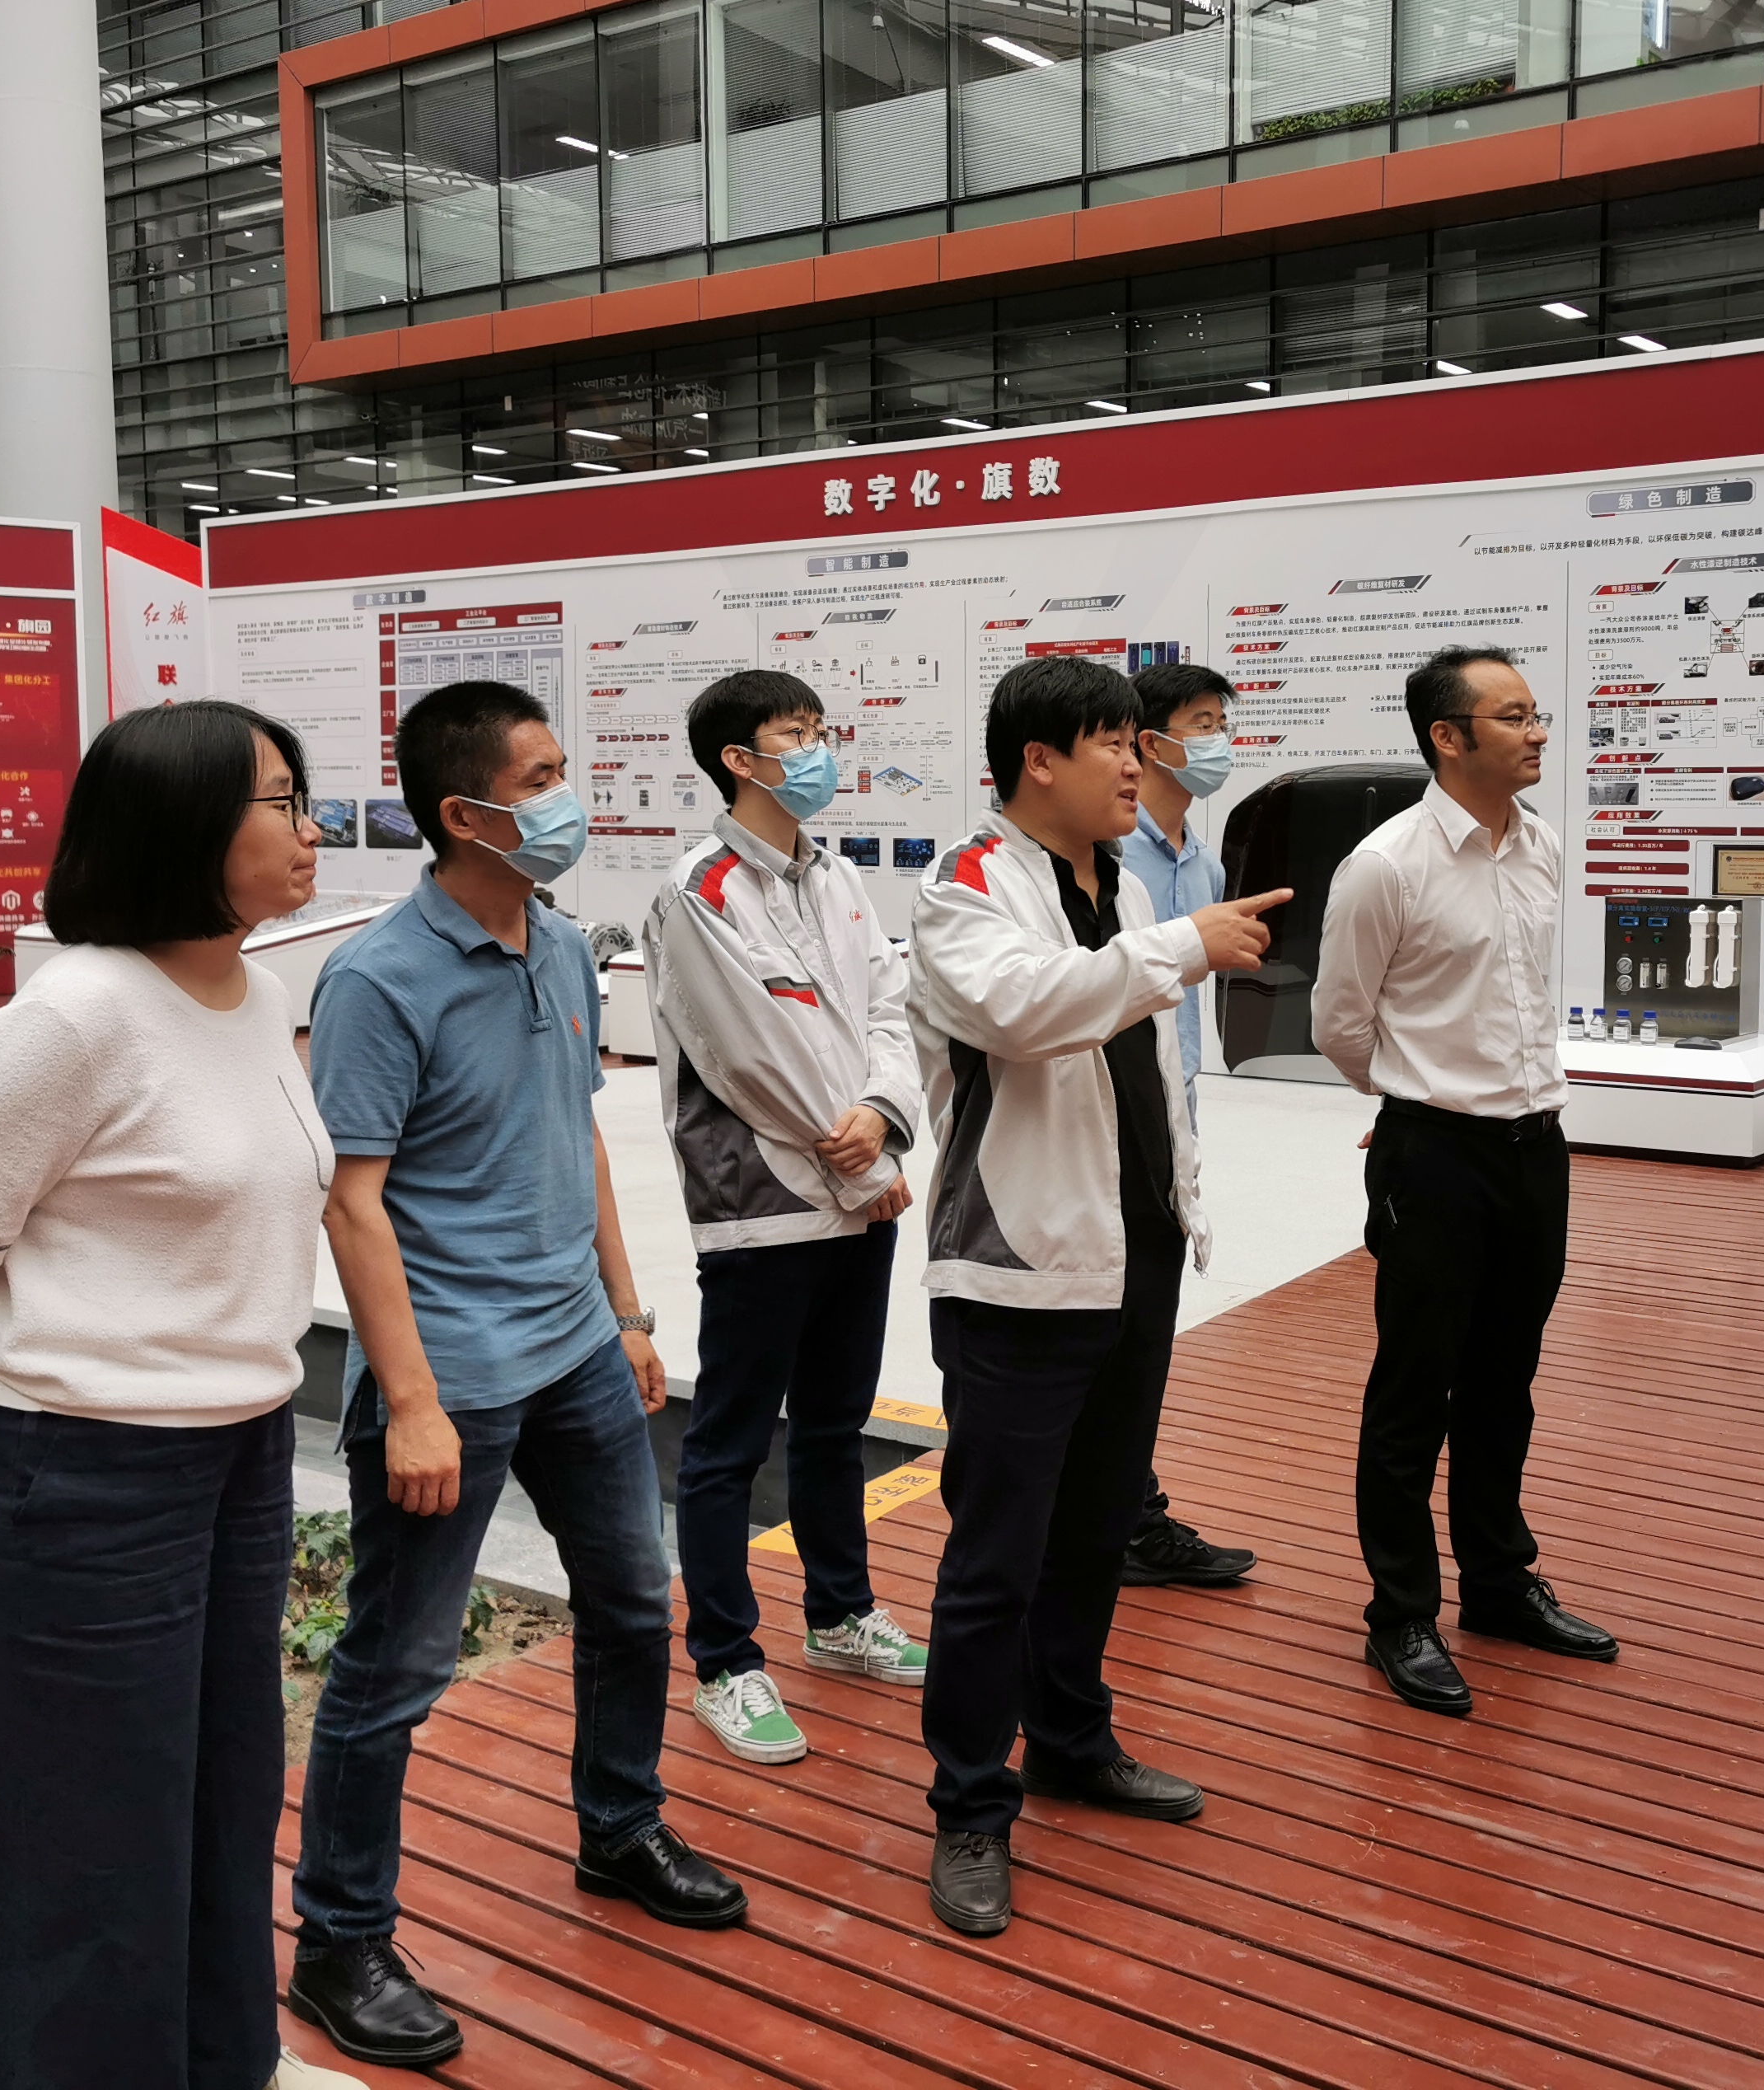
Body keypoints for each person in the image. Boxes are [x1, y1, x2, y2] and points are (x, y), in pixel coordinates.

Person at [0, 701, 363, 2090]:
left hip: (238, 1453)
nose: (312, 830)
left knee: (222, 1784)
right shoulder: (73, 1019)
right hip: (81, 1466)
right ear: (180, 824)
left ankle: (227, 2062)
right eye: (280, 802)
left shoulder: (252, 993)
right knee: (89, 1837)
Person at [288, 680, 742, 2073]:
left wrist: (628, 1313)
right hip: (454, 1371)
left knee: (634, 1600)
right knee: (396, 1664)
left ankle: (620, 1828)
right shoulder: (377, 978)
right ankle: (339, 1941)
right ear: (464, 813)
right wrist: (412, 1401)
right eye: (539, 778)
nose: (568, 797)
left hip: (577, 1347)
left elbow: (576, 1135)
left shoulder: (557, 943)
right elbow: (352, 1204)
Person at [907, 655, 1288, 1938]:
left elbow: (1146, 1054)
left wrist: (1179, 1202)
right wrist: (1182, 945)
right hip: (1021, 1271)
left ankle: (1071, 1739)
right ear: (1039, 762)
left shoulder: (1114, 882)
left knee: (1092, 1535)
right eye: (1115, 743)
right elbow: (1027, 1012)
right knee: (994, 1560)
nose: (1140, 764)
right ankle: (970, 1805)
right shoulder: (967, 884)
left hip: (1134, 1254)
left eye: (1141, 741)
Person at [1311, 645, 1619, 1719]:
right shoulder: (1386, 865)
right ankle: (1400, 1613)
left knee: (1505, 1379)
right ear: (1448, 737)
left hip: (1538, 1150)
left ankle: (1497, 1581)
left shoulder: (1543, 846)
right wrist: (1411, 1099)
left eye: (1538, 714)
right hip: (1435, 1155)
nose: (1538, 733)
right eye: (1513, 717)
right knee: (1414, 1389)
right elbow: (1340, 1022)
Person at [647, 668, 927, 1768]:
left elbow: (890, 1008)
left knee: (833, 1424)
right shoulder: (698, 891)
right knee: (727, 1441)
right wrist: (863, 1162)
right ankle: (725, 1662)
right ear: (739, 759)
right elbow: (756, 1054)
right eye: (794, 734)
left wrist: (886, 1116)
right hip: (763, 1204)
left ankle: (839, 1613)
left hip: (861, 1189)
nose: (817, 750)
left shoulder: (838, 876)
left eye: (818, 730)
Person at [1116, 662, 1259, 1593]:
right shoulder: (1110, 855)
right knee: (1110, 1331)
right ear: (1149, 742)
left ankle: (1129, 1510)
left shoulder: (1199, 860)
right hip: (1109, 1116)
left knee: (1145, 1330)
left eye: (1220, 723)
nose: (1217, 742)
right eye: (1201, 724)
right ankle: (1119, 1517)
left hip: (1177, 1114)